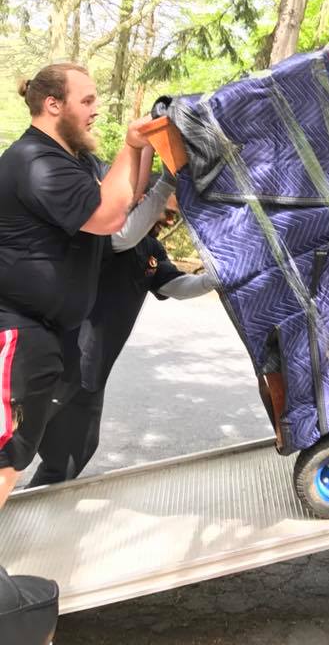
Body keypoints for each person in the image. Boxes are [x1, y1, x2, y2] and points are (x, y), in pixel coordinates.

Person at [0, 62, 152, 510]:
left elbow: (128, 197)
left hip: (49, 333)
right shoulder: (34, 162)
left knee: (16, 452)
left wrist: (143, 147)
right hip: (19, 328)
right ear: (52, 104)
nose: (95, 110)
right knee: (6, 457)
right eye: (86, 100)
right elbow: (106, 217)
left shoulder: (72, 160)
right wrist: (129, 144)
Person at [27, 193, 215, 485]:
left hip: (92, 373)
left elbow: (175, 285)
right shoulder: (101, 235)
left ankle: (31, 513)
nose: (170, 217)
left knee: (74, 451)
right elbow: (123, 239)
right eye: (165, 208)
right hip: (59, 362)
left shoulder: (151, 249)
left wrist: (213, 279)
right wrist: (164, 184)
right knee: (13, 441)